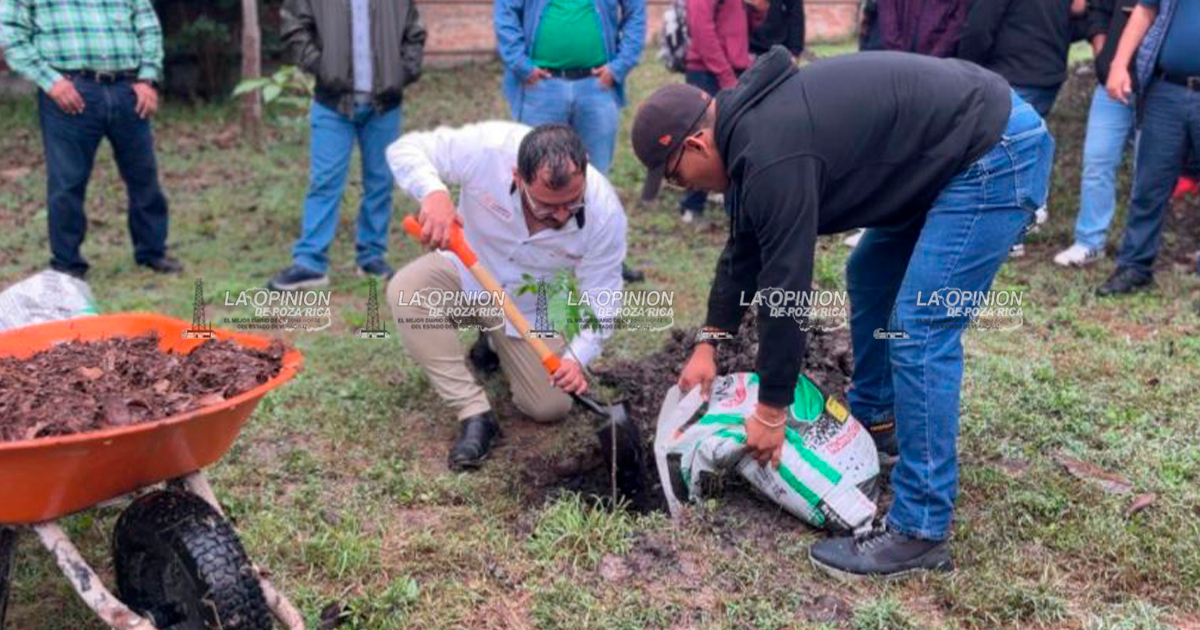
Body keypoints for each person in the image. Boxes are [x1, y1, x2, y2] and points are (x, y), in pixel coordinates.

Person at [631, 47, 1053, 577]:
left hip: (990, 154)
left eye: (678, 177)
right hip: (944, 154)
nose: (683, 189)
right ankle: (878, 422)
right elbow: (742, 254)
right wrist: (707, 342)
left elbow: (786, 293)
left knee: (920, 329)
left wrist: (771, 412)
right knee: (869, 274)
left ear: (695, 143)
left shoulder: (771, 156)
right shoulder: (746, 138)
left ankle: (920, 531)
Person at [386, 123, 626, 470]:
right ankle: (474, 413)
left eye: (571, 205)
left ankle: (496, 341)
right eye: (546, 206)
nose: (560, 216)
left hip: (530, 304)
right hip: (467, 277)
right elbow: (406, 148)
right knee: (408, 292)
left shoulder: (605, 213)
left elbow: (602, 297)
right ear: (518, 176)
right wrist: (433, 193)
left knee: (549, 407)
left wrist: (577, 359)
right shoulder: (489, 149)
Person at [0, 0, 182, 279]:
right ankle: (67, 263)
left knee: (144, 176)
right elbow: (9, 31)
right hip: (69, 90)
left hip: (128, 89)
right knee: (67, 183)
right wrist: (51, 81)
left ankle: (152, 251)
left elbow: (147, 26)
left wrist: (147, 78)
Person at [267, 0, 427, 290]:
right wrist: (324, 67)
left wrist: (402, 72)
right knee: (324, 180)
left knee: (380, 182)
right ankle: (310, 263)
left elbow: (413, 32)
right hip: (332, 103)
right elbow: (294, 26)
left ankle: (372, 257)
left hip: (385, 105)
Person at [1098, 0, 1200, 296]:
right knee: (1149, 184)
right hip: (1166, 90)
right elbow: (1145, 10)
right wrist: (1118, 65)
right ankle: (1134, 267)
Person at [494, 0, 645, 178]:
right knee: (538, 172)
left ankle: (589, 207)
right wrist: (520, 64)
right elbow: (506, 12)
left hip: (597, 86)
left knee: (596, 175)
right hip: (541, 88)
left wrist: (620, 65)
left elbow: (636, 11)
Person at [1054, 0, 1138, 267]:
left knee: (1149, 172)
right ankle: (1090, 242)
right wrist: (1104, 55)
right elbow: (1098, 11)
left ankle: (1140, 248)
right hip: (1111, 85)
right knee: (1097, 161)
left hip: (1160, 86)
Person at [676, 0, 761, 224]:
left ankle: (734, 209)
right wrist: (726, 77)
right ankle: (692, 205)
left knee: (732, 140)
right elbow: (701, 29)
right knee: (705, 139)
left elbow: (741, 28)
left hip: (733, 69)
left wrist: (759, 10)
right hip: (709, 72)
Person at [876, 0, 969, 57]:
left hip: (937, 65)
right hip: (895, 60)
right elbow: (888, 20)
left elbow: (957, 22)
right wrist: (899, 56)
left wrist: (935, 57)